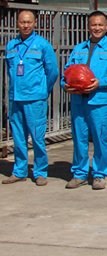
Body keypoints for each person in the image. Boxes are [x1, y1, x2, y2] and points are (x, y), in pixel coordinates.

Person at [61, 11, 107, 190]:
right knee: (79, 138)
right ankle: (79, 174)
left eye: (100, 25)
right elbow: (67, 70)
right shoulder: (79, 48)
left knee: (99, 138)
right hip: (78, 101)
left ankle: (99, 174)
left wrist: (99, 82)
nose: (97, 28)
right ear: (88, 27)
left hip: (100, 101)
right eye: (93, 25)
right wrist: (65, 85)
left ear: (106, 27)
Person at [2, 10, 58, 186]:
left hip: (35, 99)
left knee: (37, 137)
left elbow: (52, 72)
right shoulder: (11, 45)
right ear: (17, 23)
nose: (25, 25)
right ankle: (19, 171)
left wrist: (43, 91)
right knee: (18, 137)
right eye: (22, 22)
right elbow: (10, 69)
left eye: (28, 22)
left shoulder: (42, 45)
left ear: (35, 23)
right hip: (15, 99)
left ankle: (40, 172)